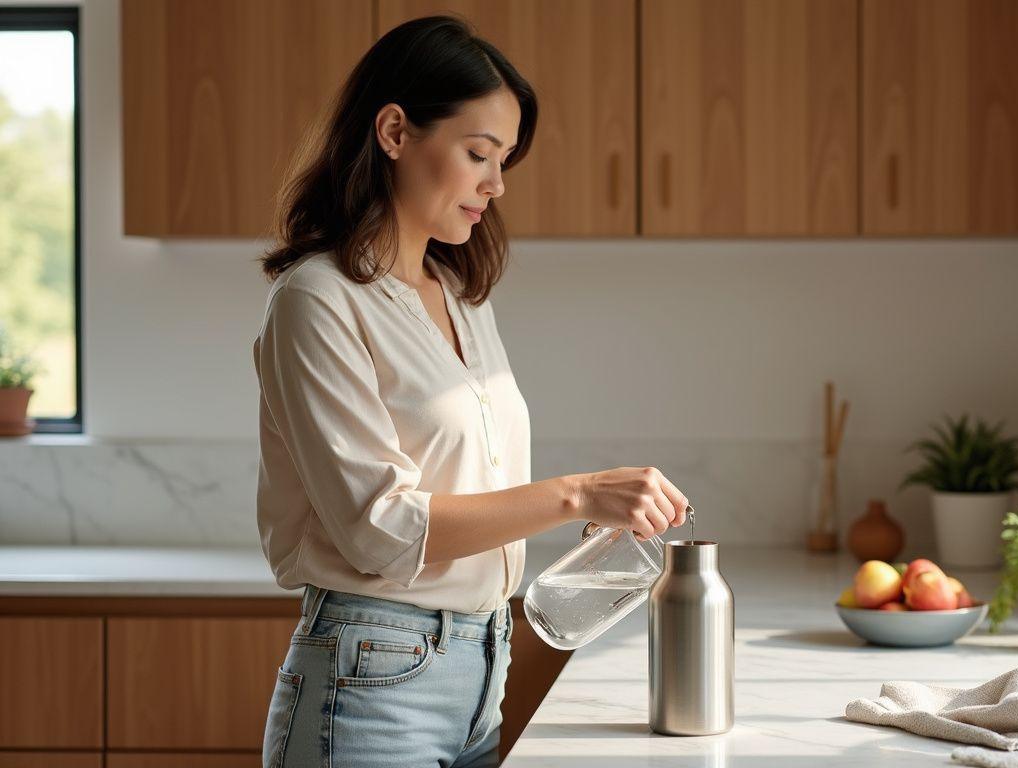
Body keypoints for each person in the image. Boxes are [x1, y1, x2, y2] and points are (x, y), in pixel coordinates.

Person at [251, 16, 690, 767]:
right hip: (371, 680)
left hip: (484, 669)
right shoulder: (317, 300)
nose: (497, 183)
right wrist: (577, 495)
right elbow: (379, 529)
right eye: (478, 153)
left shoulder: (461, 298)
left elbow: (469, 491)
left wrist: (594, 525)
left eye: (505, 159)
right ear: (394, 131)